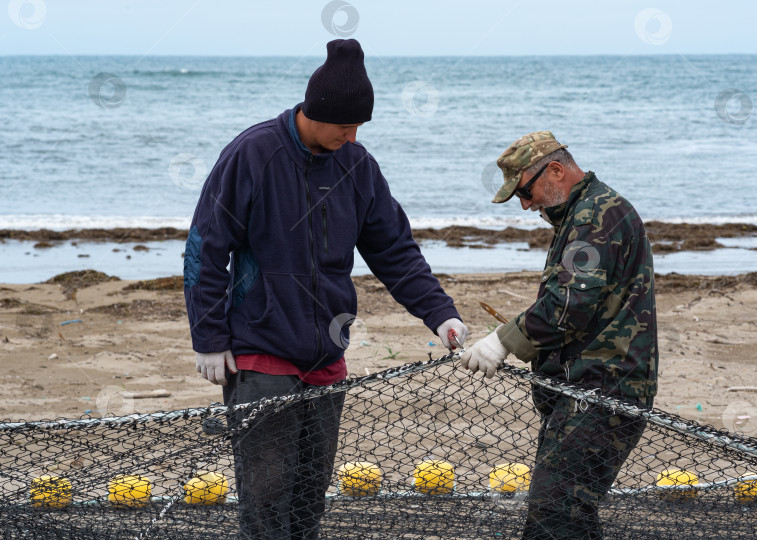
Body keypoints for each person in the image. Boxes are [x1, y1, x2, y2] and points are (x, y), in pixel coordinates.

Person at [183, 39, 468, 539]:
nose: (352, 135)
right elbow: (204, 249)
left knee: (310, 497)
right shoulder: (252, 154)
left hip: (327, 357)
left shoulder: (356, 165)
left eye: (360, 127)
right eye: (344, 125)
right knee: (266, 498)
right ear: (315, 112)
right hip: (259, 352)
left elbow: (394, 249)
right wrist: (208, 338)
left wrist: (439, 313)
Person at [460, 131, 657, 539]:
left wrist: (501, 341)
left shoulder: (594, 216)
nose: (526, 204)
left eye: (525, 192)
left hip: (604, 391)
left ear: (555, 170)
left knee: (556, 513)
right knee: (569, 514)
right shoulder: (585, 211)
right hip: (587, 389)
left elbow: (567, 306)